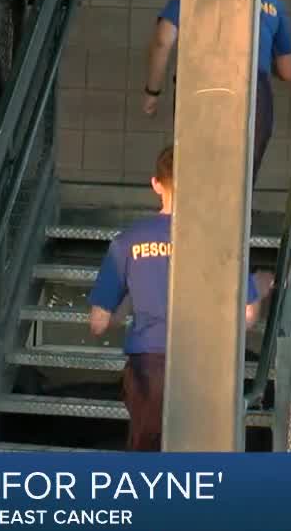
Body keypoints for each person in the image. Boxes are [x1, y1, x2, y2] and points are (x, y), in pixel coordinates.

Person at [86, 146, 269, 454]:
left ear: (156, 184)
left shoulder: (127, 241)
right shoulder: (217, 238)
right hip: (203, 368)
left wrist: (131, 299)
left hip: (149, 368)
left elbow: (98, 324)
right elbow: (248, 319)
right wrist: (260, 291)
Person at [141, 0, 291, 184]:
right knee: (241, 178)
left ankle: (196, 211)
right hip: (252, 87)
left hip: (200, 80)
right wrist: (263, 57)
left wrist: (152, 92)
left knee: (196, 170)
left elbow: (162, 40)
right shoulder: (270, 0)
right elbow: (288, 71)